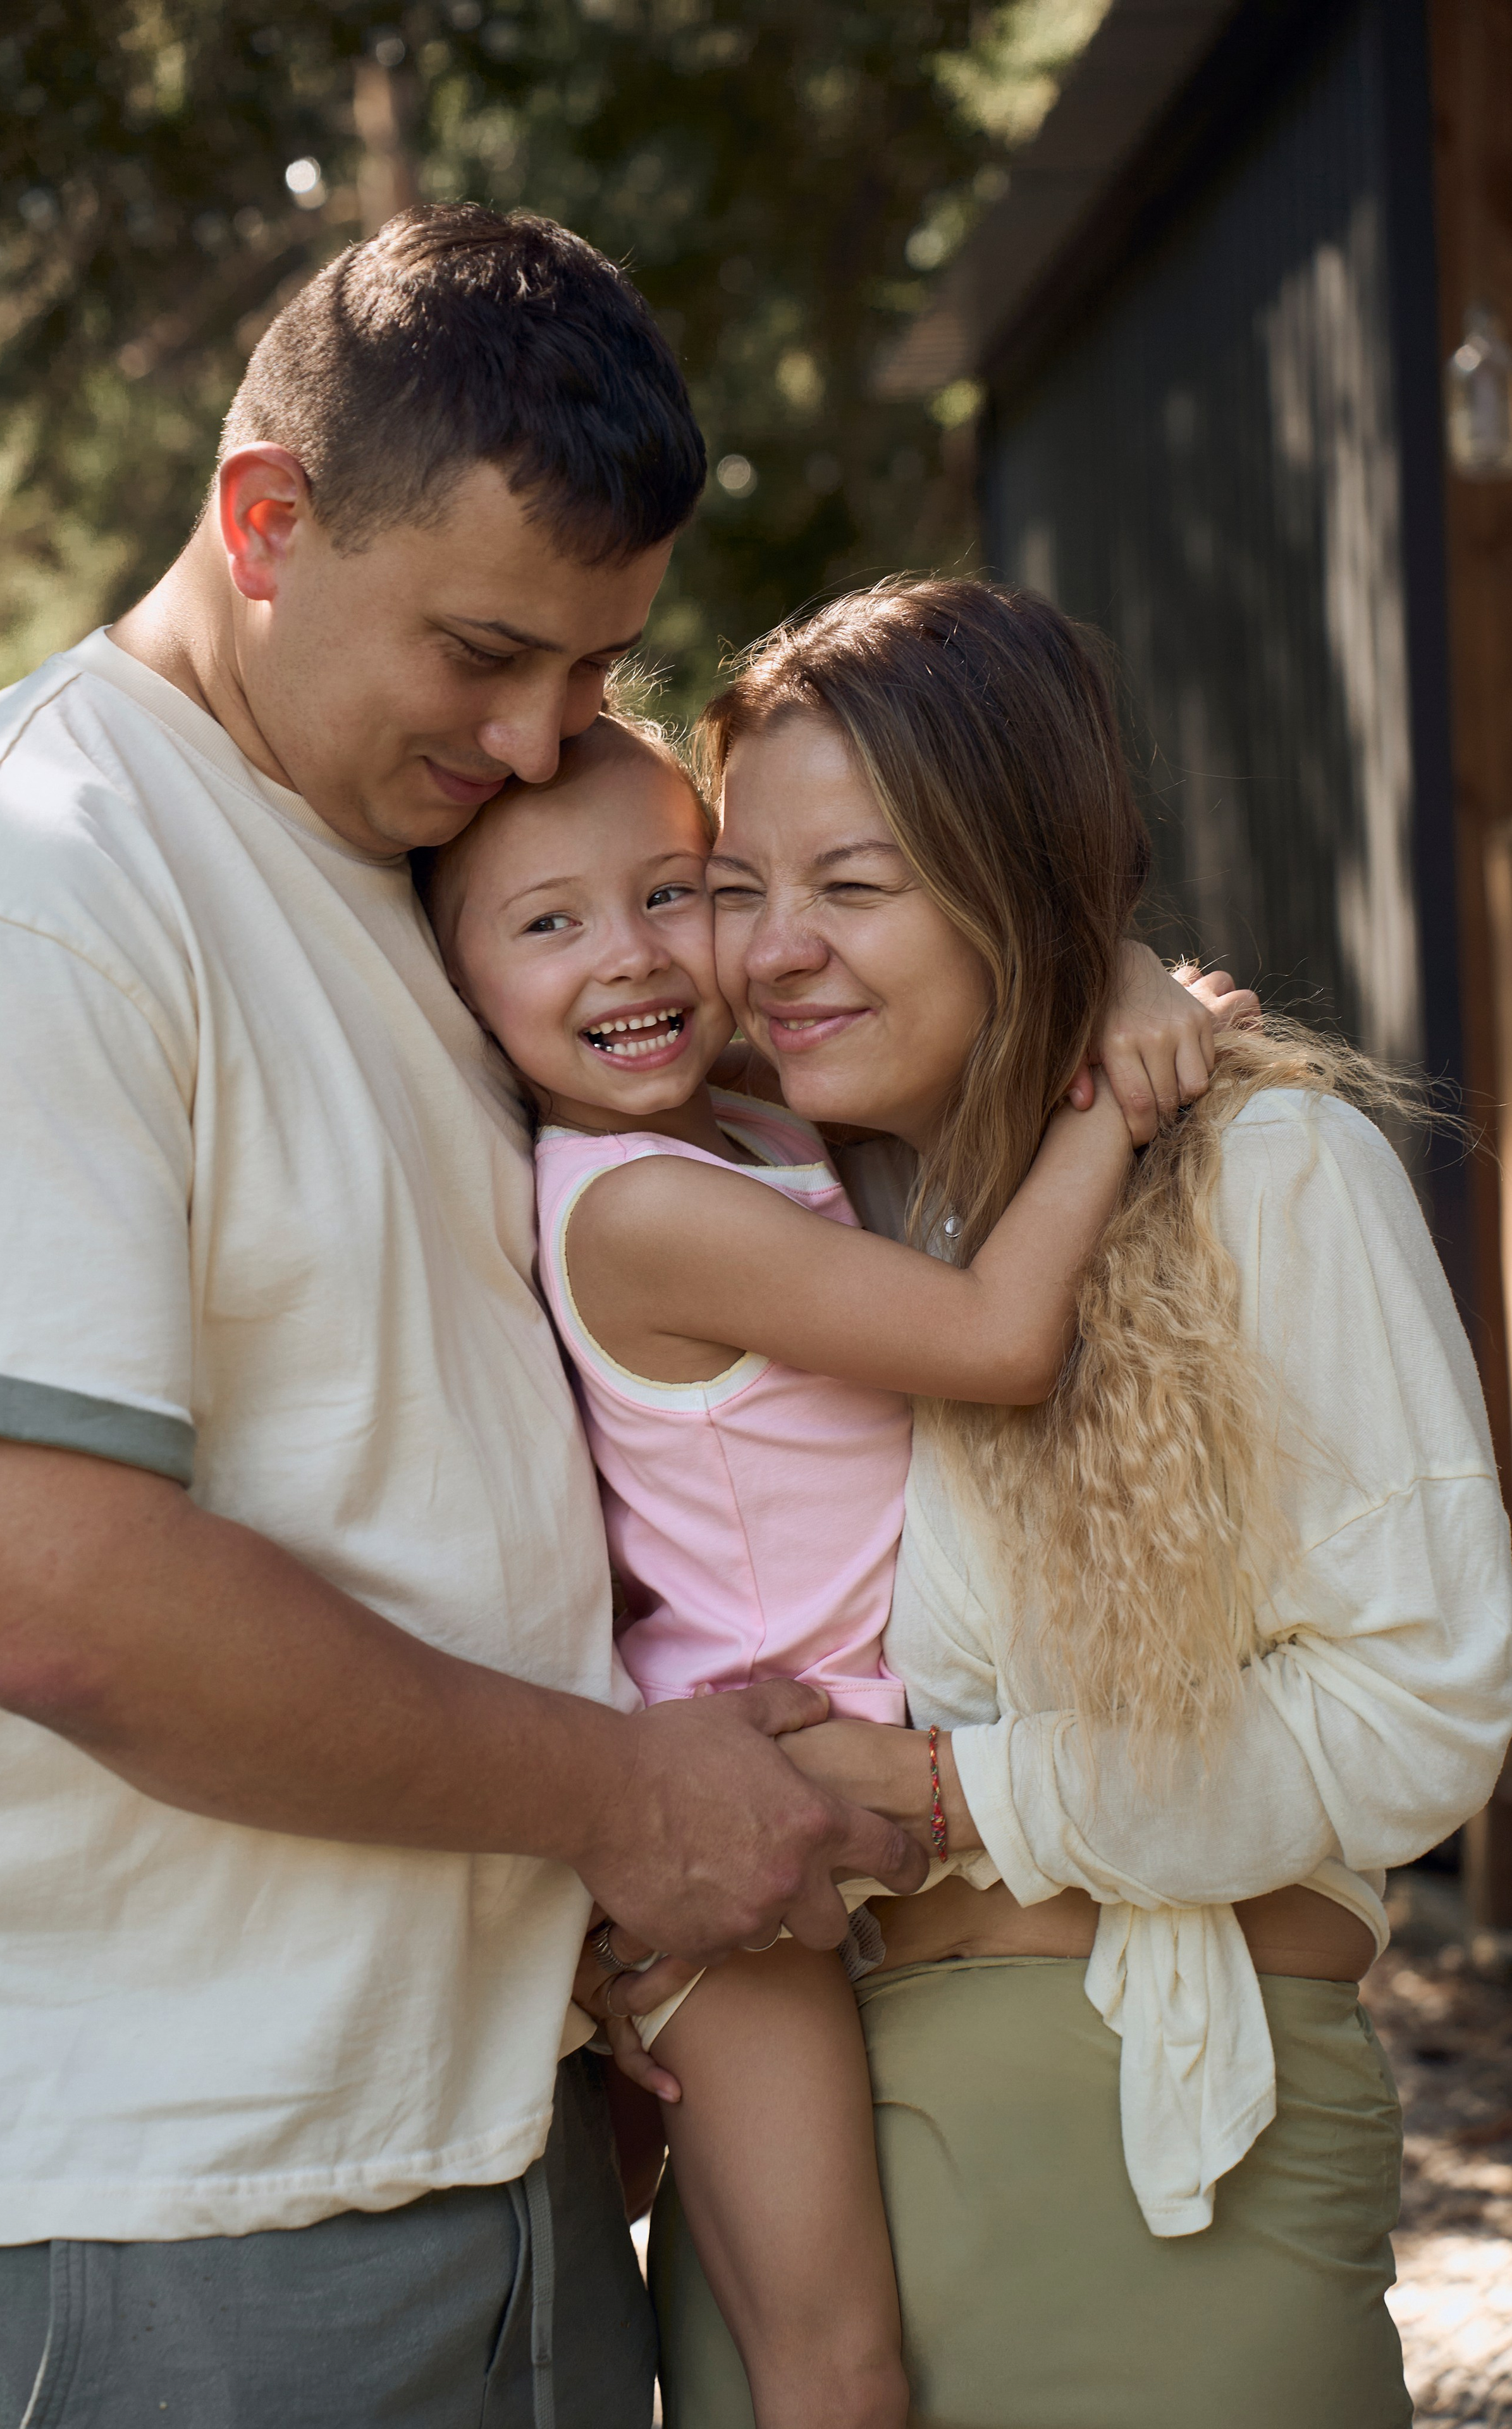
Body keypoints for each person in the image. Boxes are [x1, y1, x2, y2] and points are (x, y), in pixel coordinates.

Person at [0, 206, 944, 2428]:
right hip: (182, 2209)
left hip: (504, 2143)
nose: (541, 731)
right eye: (484, 650)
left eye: (591, 667)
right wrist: (625, 1793)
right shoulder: (20, 883)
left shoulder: (409, 866)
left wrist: (1095, 982)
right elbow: (64, 1601)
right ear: (266, 521)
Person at [632, 577, 1512, 2429]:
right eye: (739, 885)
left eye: (853, 887)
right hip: (792, 2195)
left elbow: (1423, 1710)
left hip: (1164, 2154)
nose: (776, 949)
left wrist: (969, 1797)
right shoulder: (775, 1202)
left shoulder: (1263, 1173)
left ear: (1017, 883)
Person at [427, 708, 1178, 2429]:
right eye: (547, 923)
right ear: (458, 978)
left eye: (676, 892)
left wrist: (1116, 971)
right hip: (741, 1835)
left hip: (858, 1782)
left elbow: (963, 1007)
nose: (631, 955)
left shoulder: (745, 1123)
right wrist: (1118, 1108)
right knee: (832, 2373)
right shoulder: (635, 1204)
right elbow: (995, 1341)